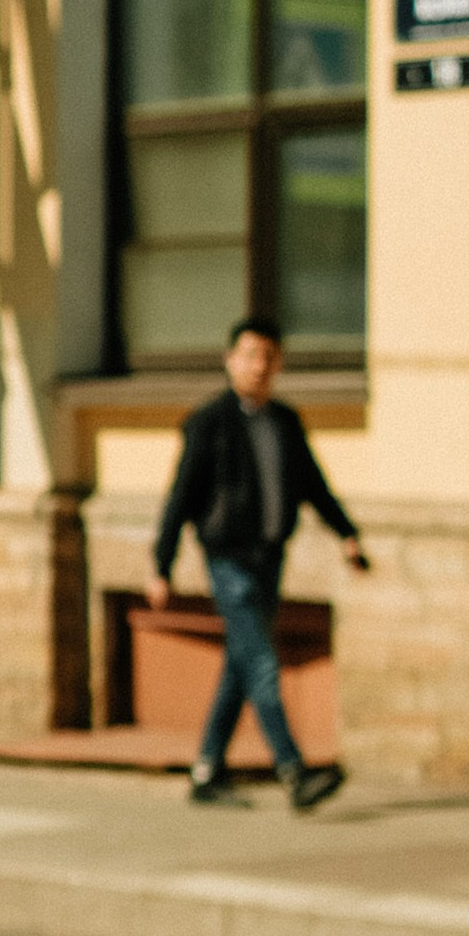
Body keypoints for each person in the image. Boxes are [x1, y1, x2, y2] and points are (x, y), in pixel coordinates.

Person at [150, 314, 367, 812]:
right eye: (249, 356)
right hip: (227, 559)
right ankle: (293, 771)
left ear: (278, 364)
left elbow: (313, 485)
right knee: (263, 661)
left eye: (268, 358)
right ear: (230, 361)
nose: (259, 367)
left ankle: (206, 770)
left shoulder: (284, 423)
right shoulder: (209, 423)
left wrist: (347, 533)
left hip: (269, 556)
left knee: (241, 662)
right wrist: (161, 564)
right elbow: (180, 497)